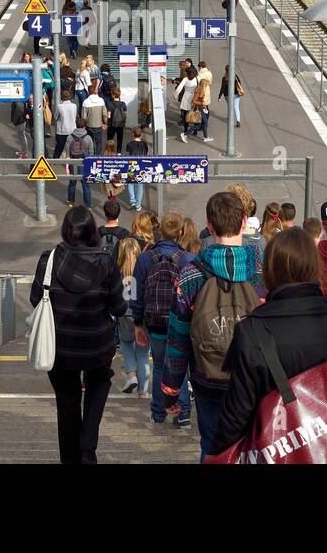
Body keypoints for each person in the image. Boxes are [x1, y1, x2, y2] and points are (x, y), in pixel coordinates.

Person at [211, 227, 327, 459]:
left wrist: (215, 454)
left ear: (269, 270)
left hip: (275, 449)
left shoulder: (250, 330)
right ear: (314, 267)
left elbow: (237, 413)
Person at [162, 191, 266, 460]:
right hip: (253, 378)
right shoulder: (262, 271)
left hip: (207, 376)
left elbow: (178, 338)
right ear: (244, 222)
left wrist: (171, 391)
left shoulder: (191, 274)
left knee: (211, 444)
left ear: (209, 225)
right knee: (254, 446)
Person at [30, 207, 125, 464]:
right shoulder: (106, 263)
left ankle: (70, 458)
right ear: (93, 231)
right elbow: (119, 306)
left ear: (65, 230)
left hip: (60, 349)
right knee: (99, 383)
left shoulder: (48, 260)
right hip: (97, 346)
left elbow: (35, 299)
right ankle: (87, 446)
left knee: (67, 402)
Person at [132, 211, 194, 429]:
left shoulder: (145, 258)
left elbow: (135, 292)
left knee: (158, 365)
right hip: (181, 321)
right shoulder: (188, 259)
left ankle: (158, 413)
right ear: (180, 232)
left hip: (154, 321)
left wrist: (138, 322)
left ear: (159, 231)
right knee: (180, 365)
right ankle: (184, 413)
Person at [116, 238, 151, 396]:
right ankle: (142, 392)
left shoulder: (119, 272)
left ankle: (131, 375)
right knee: (143, 353)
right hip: (141, 314)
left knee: (126, 344)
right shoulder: (143, 270)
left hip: (124, 314)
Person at [65, 118, 93, 207]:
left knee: (72, 183)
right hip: (84, 163)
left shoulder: (70, 137)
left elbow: (67, 152)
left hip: (73, 162)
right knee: (85, 185)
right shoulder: (88, 138)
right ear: (84, 126)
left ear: (76, 125)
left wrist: (67, 165)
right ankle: (88, 205)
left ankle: (70, 201)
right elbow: (91, 152)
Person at [124, 126, 150, 209]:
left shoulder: (129, 145)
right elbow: (146, 154)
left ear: (133, 134)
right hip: (142, 166)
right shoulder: (144, 144)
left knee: (130, 184)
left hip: (132, 166)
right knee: (140, 185)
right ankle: (138, 205)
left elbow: (127, 156)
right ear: (141, 135)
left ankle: (132, 201)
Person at [81, 80, 108, 152]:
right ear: (95, 91)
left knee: (90, 143)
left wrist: (84, 125)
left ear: (88, 92)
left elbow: (83, 117)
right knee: (99, 143)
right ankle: (98, 157)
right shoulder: (101, 100)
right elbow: (104, 114)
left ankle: (91, 157)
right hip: (99, 126)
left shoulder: (85, 102)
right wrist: (105, 123)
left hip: (89, 126)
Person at [175, 65, 199, 141]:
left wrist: (175, 95)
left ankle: (186, 130)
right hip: (194, 97)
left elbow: (179, 87)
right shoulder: (197, 78)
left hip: (186, 97)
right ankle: (194, 130)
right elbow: (202, 87)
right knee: (194, 114)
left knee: (185, 115)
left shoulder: (185, 79)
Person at [53, 89, 78, 159]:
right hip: (72, 130)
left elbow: (55, 117)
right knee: (73, 148)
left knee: (59, 148)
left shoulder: (59, 106)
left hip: (62, 130)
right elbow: (75, 116)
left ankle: (55, 161)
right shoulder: (74, 106)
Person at [195, 60, 215, 142]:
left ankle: (202, 125)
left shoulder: (200, 74)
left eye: (198, 67)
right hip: (207, 91)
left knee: (201, 110)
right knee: (206, 108)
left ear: (200, 67)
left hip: (202, 92)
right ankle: (205, 124)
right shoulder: (209, 73)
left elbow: (198, 84)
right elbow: (211, 82)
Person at [218, 64, 243, 128]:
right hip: (236, 94)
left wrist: (219, 96)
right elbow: (239, 83)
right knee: (236, 107)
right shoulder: (235, 76)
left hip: (227, 95)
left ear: (226, 70)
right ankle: (238, 121)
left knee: (230, 107)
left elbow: (222, 88)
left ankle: (230, 119)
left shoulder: (225, 78)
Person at [10, 95, 33, 159]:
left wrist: (14, 121)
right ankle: (23, 152)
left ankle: (24, 154)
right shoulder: (21, 100)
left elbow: (17, 112)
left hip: (20, 121)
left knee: (22, 137)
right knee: (21, 137)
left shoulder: (18, 102)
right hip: (21, 120)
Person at [107, 86, 127, 152]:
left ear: (113, 94)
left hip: (111, 124)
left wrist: (107, 122)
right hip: (120, 124)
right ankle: (119, 153)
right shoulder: (123, 104)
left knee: (110, 139)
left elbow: (109, 116)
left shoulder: (109, 104)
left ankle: (110, 151)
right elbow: (125, 115)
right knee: (120, 140)